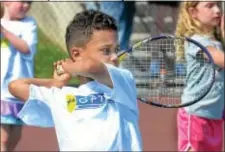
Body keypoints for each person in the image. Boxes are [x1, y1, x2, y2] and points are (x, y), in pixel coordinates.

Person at [8, 10, 142, 151]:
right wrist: (55, 83)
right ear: (76, 54)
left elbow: (90, 66)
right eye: (106, 51)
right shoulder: (61, 96)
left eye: (117, 49)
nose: (114, 57)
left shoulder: (122, 82)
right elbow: (16, 86)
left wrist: (68, 66)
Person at [175, 1, 224, 151]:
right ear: (193, 12)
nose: (217, 10)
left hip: (215, 117)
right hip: (196, 115)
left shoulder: (217, 43)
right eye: (209, 6)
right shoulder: (197, 41)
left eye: (218, 5)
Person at [0, 1, 38, 151]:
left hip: (20, 89)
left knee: (15, 136)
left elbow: (26, 48)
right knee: (3, 137)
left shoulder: (29, 24)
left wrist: (5, 32)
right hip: (1, 90)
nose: (26, 5)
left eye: (29, 2)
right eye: (21, 1)